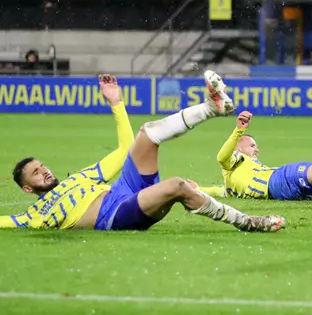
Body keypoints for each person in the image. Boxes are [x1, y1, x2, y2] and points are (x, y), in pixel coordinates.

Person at [2, 72, 285, 233]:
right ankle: (248, 222)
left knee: (147, 134)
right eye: (36, 173)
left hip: (121, 190)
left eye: (42, 166)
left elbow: (126, 150)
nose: (44, 171)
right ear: (27, 188)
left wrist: (116, 103)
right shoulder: (33, 215)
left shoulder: (78, 178)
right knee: (177, 186)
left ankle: (212, 108)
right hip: (114, 214)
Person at [200, 111, 312, 203]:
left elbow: (217, 191)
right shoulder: (233, 161)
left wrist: (196, 188)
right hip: (276, 181)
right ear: (238, 148)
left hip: (279, 188)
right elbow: (221, 156)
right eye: (252, 145)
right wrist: (239, 130)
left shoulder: (231, 185)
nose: (257, 150)